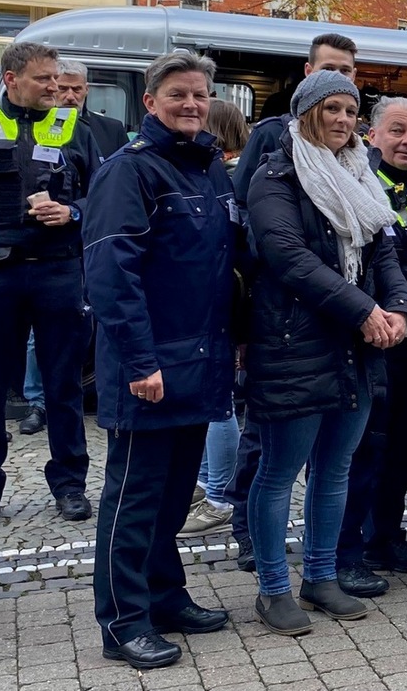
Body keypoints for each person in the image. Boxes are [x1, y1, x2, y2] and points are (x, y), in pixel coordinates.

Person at [85, 51, 241, 670]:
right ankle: (122, 623)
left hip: (200, 360)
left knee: (176, 495)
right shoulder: (130, 172)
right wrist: (139, 361)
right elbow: (111, 275)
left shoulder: (207, 168)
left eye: (200, 96)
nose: (191, 105)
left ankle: (165, 595)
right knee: (134, 498)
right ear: (149, 101)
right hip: (149, 367)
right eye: (177, 94)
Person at [245, 72, 407, 635]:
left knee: (335, 469)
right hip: (295, 343)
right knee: (280, 472)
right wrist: (365, 313)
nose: (344, 119)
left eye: (351, 110)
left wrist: (400, 311)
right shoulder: (277, 177)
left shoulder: (362, 176)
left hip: (355, 349)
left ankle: (320, 577)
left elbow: (385, 253)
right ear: (306, 112)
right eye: (332, 108)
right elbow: (291, 261)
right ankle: (273, 589)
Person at [0, 41, 103, 534]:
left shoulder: (73, 130)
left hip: (60, 270)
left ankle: (69, 485)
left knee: (63, 386)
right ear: (12, 78)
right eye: (44, 79)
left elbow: (102, 198)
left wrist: (72, 212)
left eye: (58, 79)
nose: (55, 87)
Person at [335, 96, 407, 597]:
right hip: (368, 339)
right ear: (371, 134)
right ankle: (343, 551)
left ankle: (386, 537)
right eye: (397, 131)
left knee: (404, 447)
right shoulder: (356, 186)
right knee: (362, 450)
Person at [19, 58, 132, 440]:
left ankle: (97, 394)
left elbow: (109, 190)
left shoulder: (106, 129)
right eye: (59, 85)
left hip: (89, 247)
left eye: (74, 88)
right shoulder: (26, 128)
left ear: (87, 90)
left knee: (92, 327)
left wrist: (74, 210)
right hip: (31, 253)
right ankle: (36, 402)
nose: (66, 94)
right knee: (36, 339)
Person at [179, 99, 250, 538]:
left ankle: (220, 495)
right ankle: (207, 483)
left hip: (226, 304)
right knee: (214, 403)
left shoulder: (229, 173)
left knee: (221, 405)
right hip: (216, 303)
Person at [233, 33, 359, 209]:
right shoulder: (271, 133)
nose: (336, 77)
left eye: (344, 71)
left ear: (353, 76)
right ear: (308, 71)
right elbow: (240, 201)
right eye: (328, 69)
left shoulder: (356, 146)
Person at [55, 59, 130, 161]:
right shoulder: (36, 126)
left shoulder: (113, 130)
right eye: (63, 89)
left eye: (76, 89)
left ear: (86, 89)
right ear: (52, 89)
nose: (70, 96)